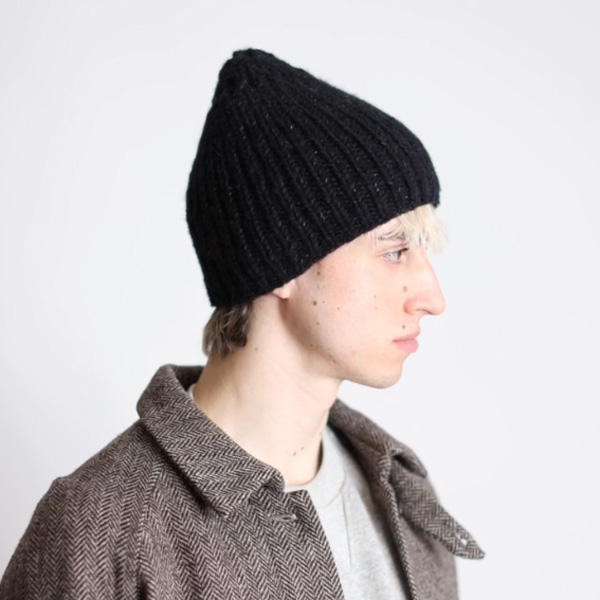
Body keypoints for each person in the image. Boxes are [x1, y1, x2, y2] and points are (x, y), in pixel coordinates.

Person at [0, 48, 484, 600]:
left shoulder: (401, 492)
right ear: (284, 263)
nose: (432, 298)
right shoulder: (104, 530)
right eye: (396, 251)